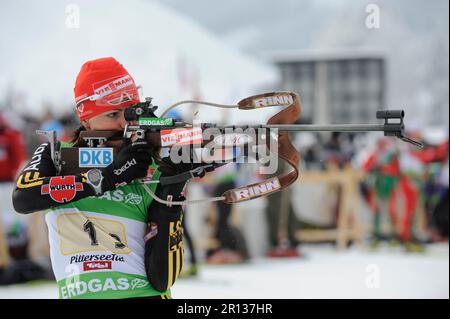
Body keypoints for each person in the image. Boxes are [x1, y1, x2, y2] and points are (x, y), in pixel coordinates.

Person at [12, 57, 192, 299]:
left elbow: (162, 279)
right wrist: (108, 177)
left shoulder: (153, 161)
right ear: (85, 118)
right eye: (113, 114)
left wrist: (172, 191)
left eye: (129, 113)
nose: (123, 123)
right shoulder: (57, 156)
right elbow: (24, 197)